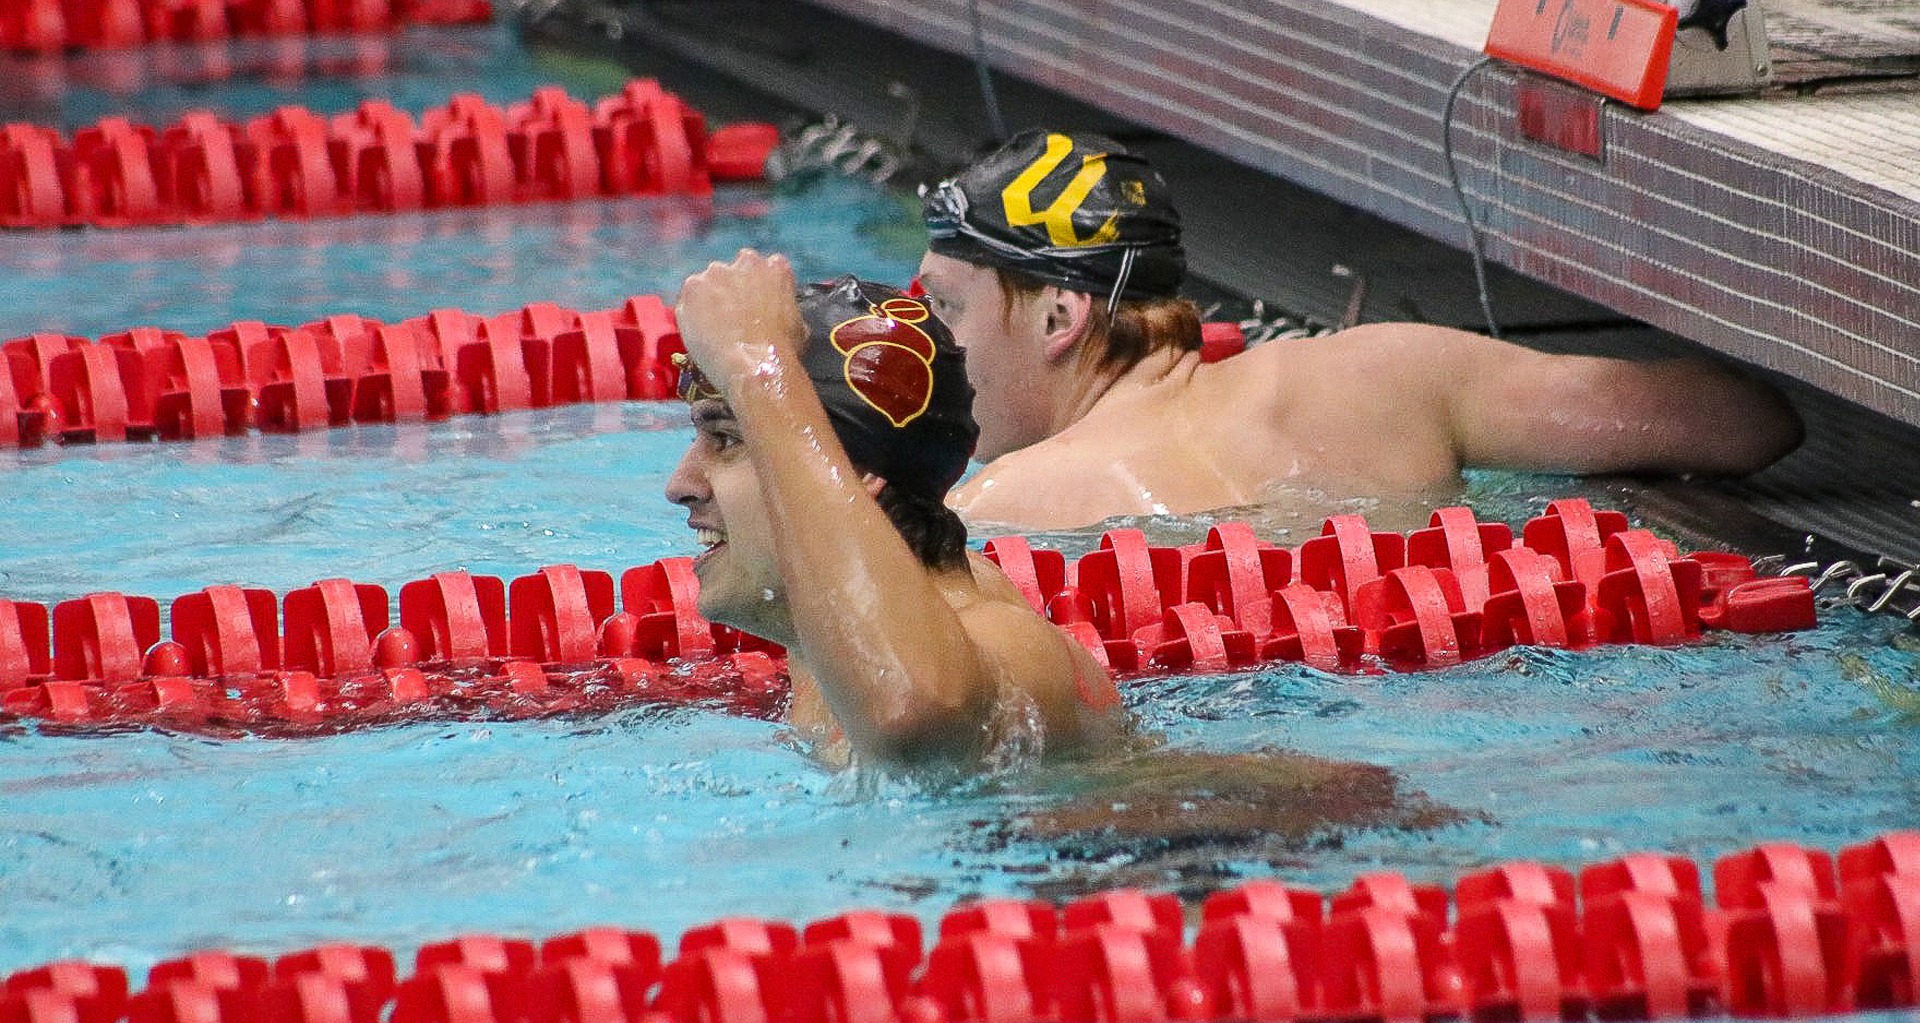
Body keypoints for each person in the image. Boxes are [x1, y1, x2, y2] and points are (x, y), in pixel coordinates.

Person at [915, 129, 1805, 530]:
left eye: (947, 306)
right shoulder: (1392, 375)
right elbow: (1748, 425)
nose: (921, 336)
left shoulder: (1003, 511)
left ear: (1061, 317)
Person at [664, 250, 1129, 772]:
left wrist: (757, 364)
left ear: (853, 476)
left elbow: (908, 712)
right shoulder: (829, 624)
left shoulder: (1008, 644)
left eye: (727, 439)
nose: (679, 485)